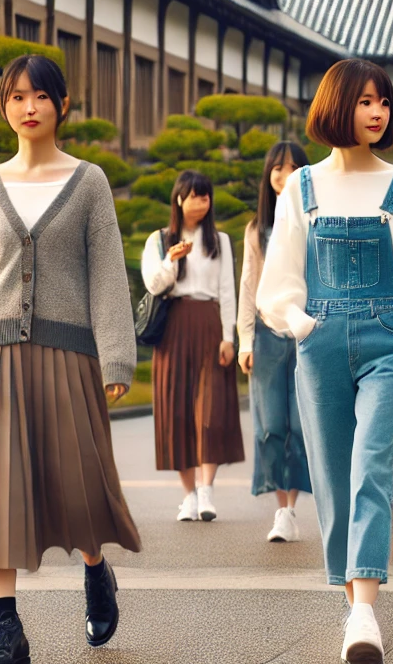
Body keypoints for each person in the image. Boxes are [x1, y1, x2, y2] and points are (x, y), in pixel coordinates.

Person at [0, 54, 139, 664]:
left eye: (40, 96)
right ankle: (8, 630)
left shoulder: (88, 182)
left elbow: (109, 273)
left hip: (68, 354)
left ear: (61, 105)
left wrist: (116, 357)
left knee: (80, 487)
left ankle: (95, 571)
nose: (28, 107)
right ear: (4, 106)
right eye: (16, 97)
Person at [258, 59, 393, 664]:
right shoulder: (301, 188)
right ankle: (353, 600)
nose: (378, 113)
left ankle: (364, 611)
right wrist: (300, 323)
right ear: (337, 106)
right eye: (366, 101)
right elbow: (278, 280)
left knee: (372, 466)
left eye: (384, 103)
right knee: (333, 478)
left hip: (388, 342)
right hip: (318, 345)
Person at [142, 170, 243, 523]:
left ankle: (207, 490)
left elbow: (228, 291)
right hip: (173, 327)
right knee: (177, 411)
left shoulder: (220, 240)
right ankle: (187, 495)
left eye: (206, 196)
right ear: (179, 199)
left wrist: (229, 338)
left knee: (211, 411)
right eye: (195, 196)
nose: (202, 202)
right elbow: (154, 286)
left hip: (209, 323)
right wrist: (171, 259)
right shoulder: (159, 239)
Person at [238, 141, 313, 543]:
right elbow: (248, 285)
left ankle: (292, 510)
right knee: (270, 425)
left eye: (294, 168)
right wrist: (244, 340)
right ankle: (281, 509)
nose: (285, 177)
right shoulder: (256, 230)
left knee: (300, 425)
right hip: (267, 334)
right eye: (277, 169)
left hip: (303, 332)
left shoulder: (313, 221)